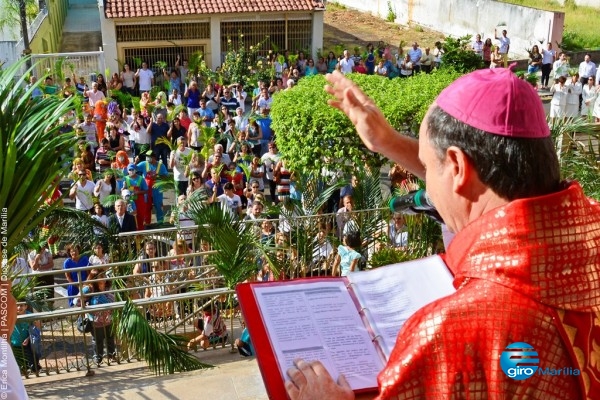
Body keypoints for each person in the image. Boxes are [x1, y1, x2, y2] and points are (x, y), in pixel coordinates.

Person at [285, 69, 599, 399]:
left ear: (457, 167)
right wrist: (388, 143)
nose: (427, 185)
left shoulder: (452, 335)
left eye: (426, 164)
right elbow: (470, 183)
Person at [80, 269, 116, 365]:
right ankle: (98, 358)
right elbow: (78, 300)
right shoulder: (89, 289)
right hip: (96, 321)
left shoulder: (108, 287)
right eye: (101, 276)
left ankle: (111, 355)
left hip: (109, 318)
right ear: (95, 279)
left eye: (104, 275)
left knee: (110, 337)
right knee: (98, 339)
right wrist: (86, 310)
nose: (103, 278)